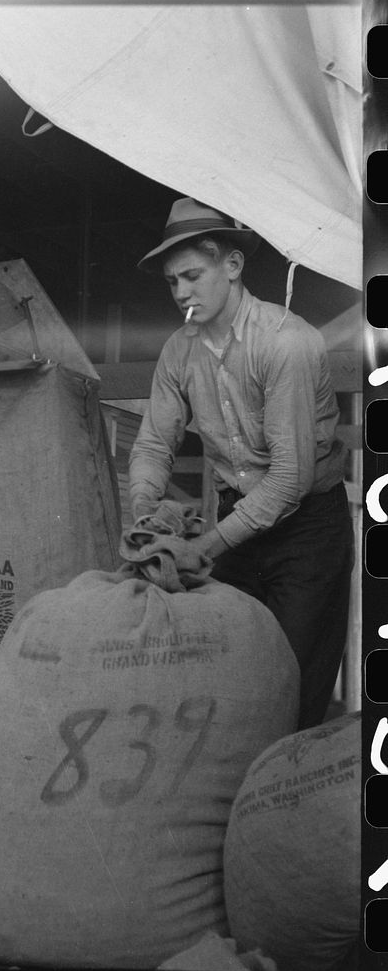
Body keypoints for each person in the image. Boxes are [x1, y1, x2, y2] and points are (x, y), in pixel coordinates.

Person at [129, 196, 354, 730]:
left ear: (232, 266)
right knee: (223, 680)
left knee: (290, 688)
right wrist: (145, 513)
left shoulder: (287, 343)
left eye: (192, 275)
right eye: (172, 282)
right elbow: (153, 445)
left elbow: (289, 480)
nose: (182, 293)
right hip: (238, 523)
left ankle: (282, 808)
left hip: (307, 527)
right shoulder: (178, 353)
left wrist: (202, 547)